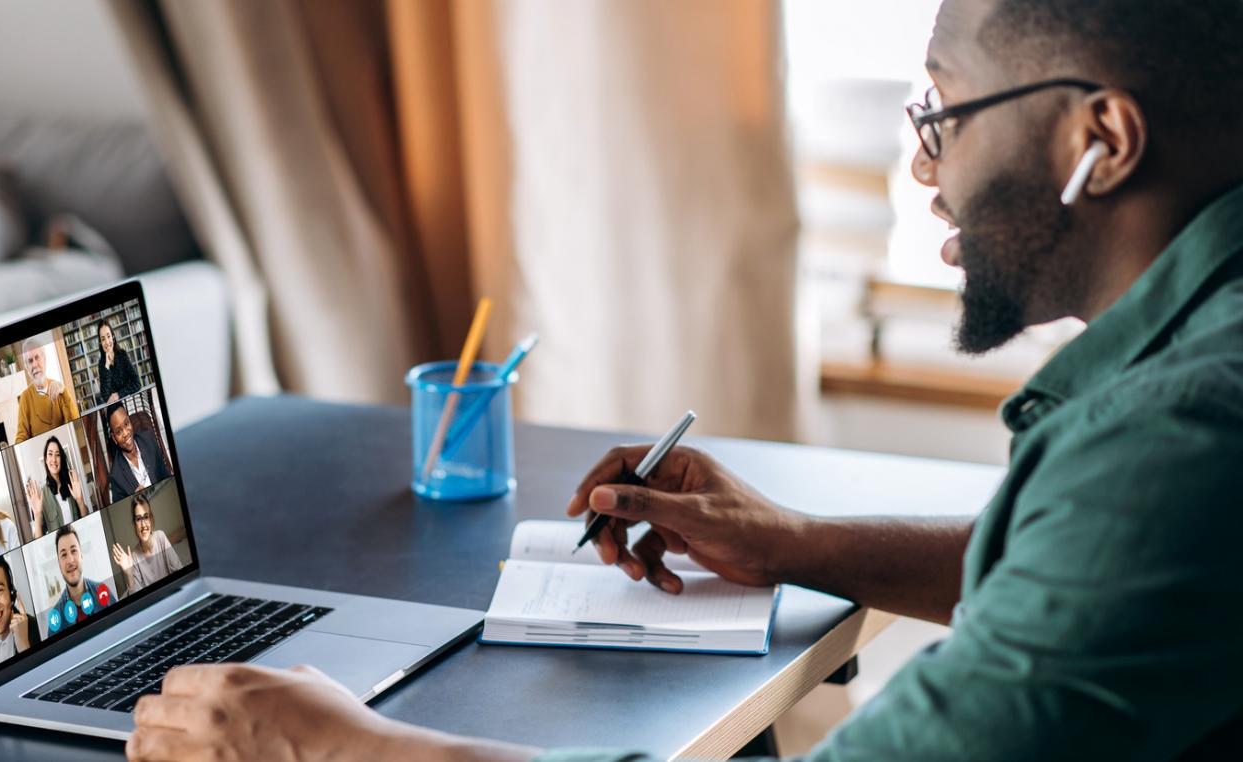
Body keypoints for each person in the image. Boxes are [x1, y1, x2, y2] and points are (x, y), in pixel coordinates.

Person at [125, 1, 1243, 760]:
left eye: (942, 112)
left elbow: (1126, 524)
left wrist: (344, 747)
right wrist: (797, 544)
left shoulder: (1175, 448)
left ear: (1101, 138)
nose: (920, 162)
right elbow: (1090, 570)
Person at [111, 491, 184, 594]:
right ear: (134, 525)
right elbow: (137, 598)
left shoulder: (160, 537)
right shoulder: (134, 557)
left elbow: (178, 570)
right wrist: (129, 574)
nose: (144, 525)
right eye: (138, 519)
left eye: (146, 517)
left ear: (151, 519)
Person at [14, 335, 79, 444]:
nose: (34, 364)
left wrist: (64, 392)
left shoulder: (59, 389)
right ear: (26, 367)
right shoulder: (25, 398)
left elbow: (74, 423)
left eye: (37, 357)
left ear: (44, 358)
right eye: (30, 361)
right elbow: (21, 436)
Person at [106, 402, 171, 503]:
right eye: (118, 432)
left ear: (130, 421)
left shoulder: (149, 440)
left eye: (126, 424)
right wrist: (134, 499)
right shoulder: (116, 477)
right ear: (114, 438)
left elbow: (166, 476)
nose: (126, 433)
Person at [24, 436, 89, 537]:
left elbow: (86, 521)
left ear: (61, 459)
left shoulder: (71, 485)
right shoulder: (42, 496)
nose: (54, 459)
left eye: (57, 455)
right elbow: (38, 539)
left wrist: (80, 501)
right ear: (45, 459)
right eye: (50, 454)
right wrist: (37, 515)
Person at [47, 524, 108, 628]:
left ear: (81, 555)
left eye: (73, 551)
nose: (70, 560)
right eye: (64, 555)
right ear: (59, 564)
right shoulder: (56, 617)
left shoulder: (103, 592)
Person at [97, 319, 142, 405]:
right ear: (100, 343)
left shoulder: (122, 355)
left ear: (113, 337)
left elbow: (137, 383)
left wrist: (118, 395)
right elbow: (106, 397)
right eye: (103, 339)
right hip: (116, 407)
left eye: (108, 336)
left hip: (130, 401)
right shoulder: (102, 364)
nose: (107, 342)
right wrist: (107, 365)